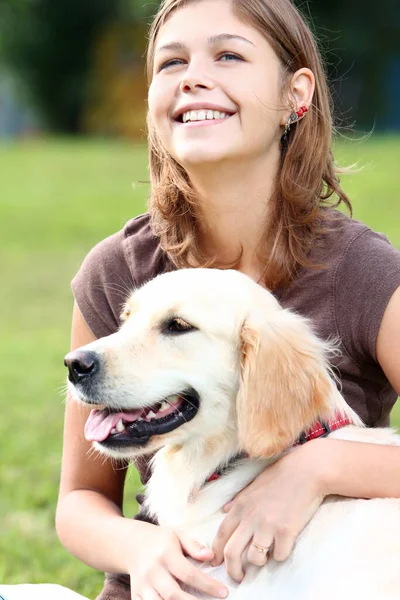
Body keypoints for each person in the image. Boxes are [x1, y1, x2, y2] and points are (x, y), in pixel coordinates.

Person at [56, 0, 400, 599]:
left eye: (228, 55)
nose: (192, 76)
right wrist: (139, 545)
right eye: (171, 62)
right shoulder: (117, 269)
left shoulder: (364, 272)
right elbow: (80, 498)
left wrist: (318, 467)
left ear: (296, 95)